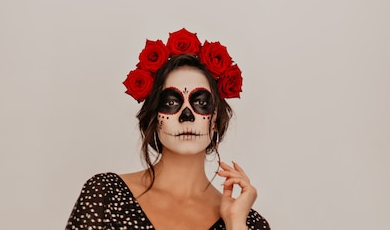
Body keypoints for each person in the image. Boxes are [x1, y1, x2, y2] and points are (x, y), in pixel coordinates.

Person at [66, 28, 270, 230]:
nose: (186, 116)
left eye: (201, 103)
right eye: (171, 103)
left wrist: (235, 224)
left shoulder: (248, 222)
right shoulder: (106, 195)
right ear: (154, 116)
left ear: (215, 119)